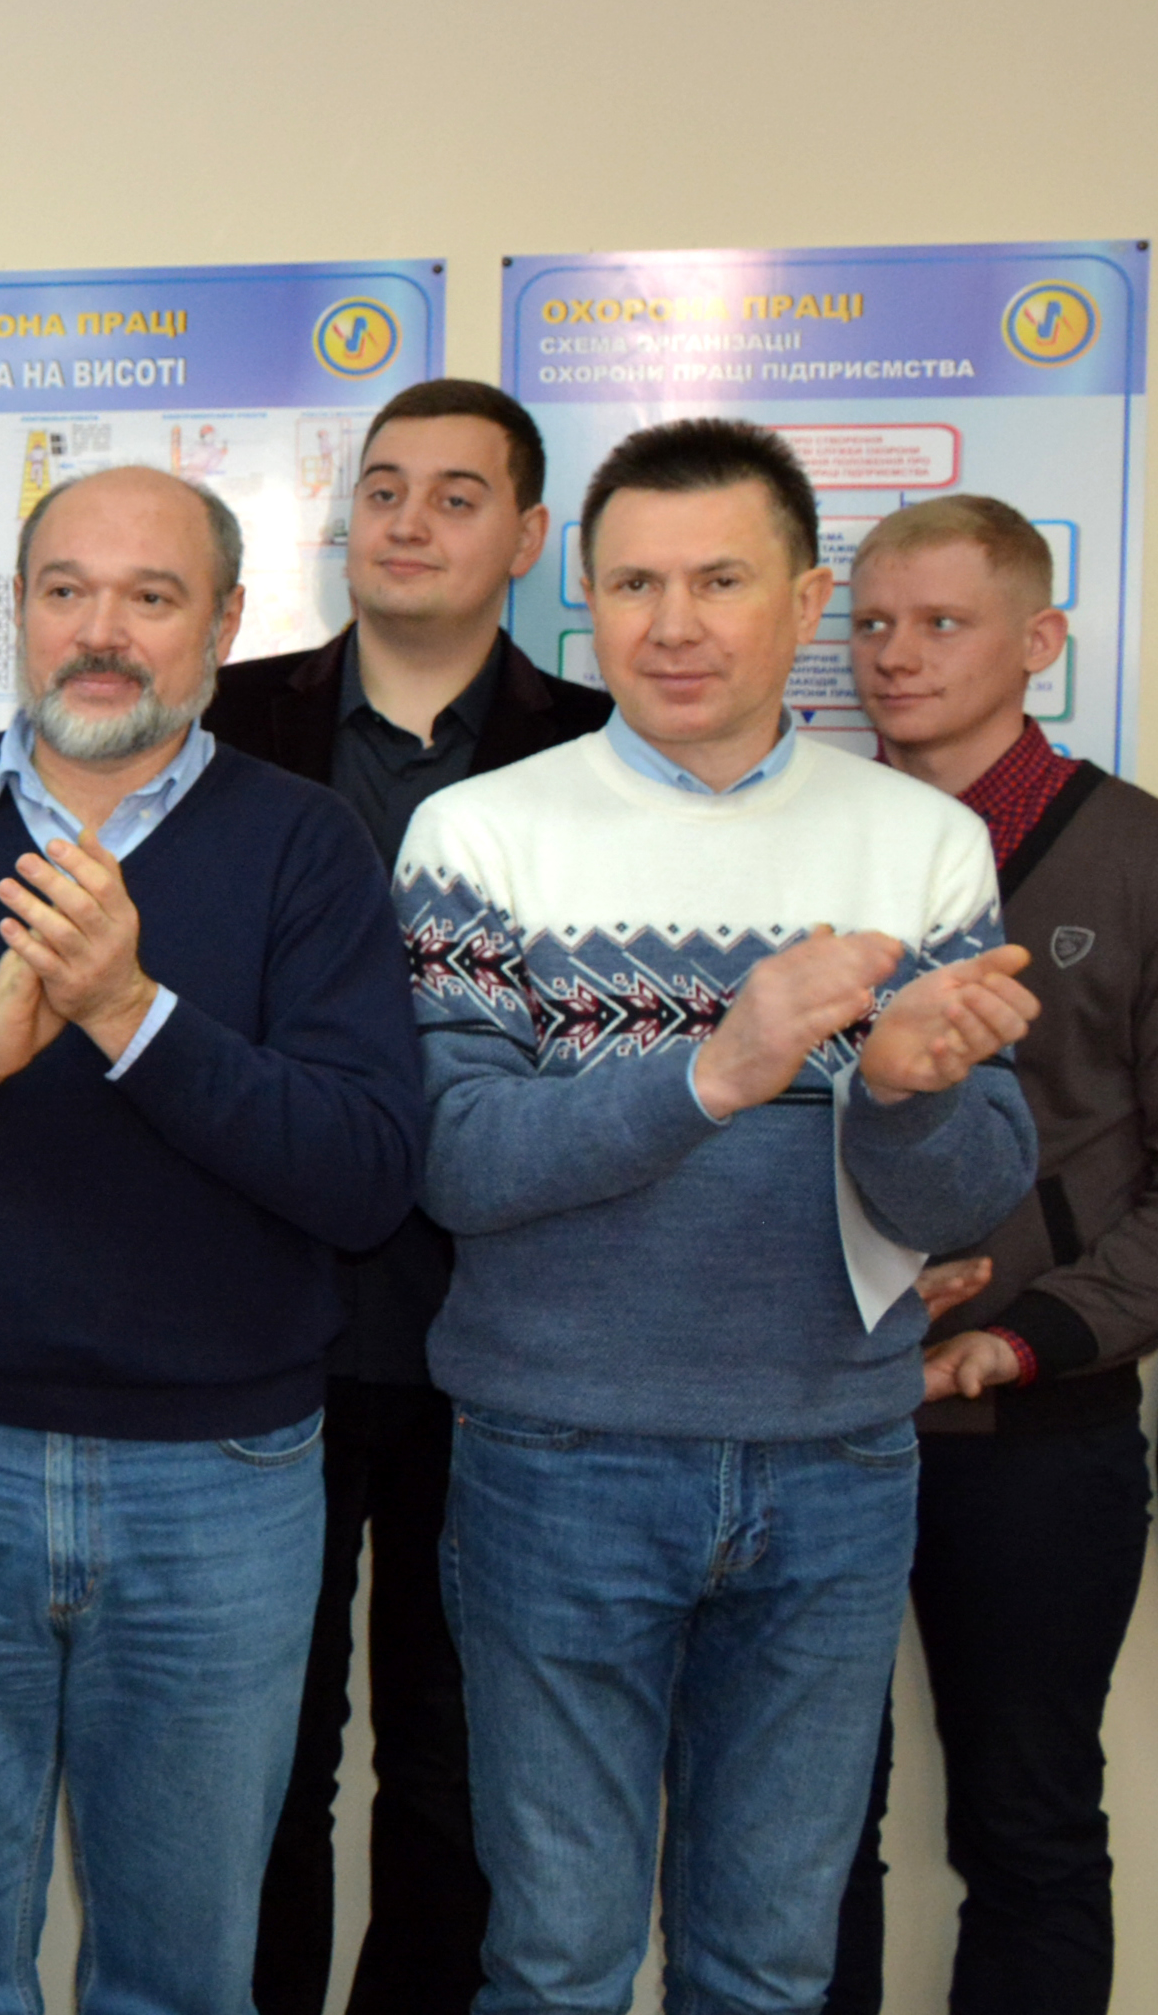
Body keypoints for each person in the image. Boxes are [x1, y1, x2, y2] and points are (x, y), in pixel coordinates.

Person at [0, 462, 428, 2013]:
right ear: (16, 613)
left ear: (224, 625)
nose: (101, 631)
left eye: (150, 596)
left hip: (220, 1487)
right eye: (66, 591)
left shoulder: (307, 846)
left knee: (179, 1979)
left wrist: (131, 1012)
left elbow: (367, 1175)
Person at [395, 420, 1041, 2015]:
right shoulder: (480, 834)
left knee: (768, 1966)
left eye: (721, 581)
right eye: (634, 585)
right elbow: (458, 1160)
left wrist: (902, 1093)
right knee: (556, 1961)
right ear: (586, 601)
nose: (673, 624)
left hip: (837, 1461)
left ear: (806, 601)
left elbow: (971, 1194)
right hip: (559, 1457)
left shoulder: (922, 843)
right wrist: (721, 1068)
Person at [201, 380, 610, 2015]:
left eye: (457, 494)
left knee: (457, 1771)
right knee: (257, 1765)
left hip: (505, 1334)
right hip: (257, 1327)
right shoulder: (220, 719)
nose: (411, 521)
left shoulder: (604, 750)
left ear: (528, 535)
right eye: (384, 488)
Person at [824, 495, 1158, 2015]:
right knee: (805, 1832)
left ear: (1041, 641)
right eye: (873, 624)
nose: (896, 656)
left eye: (943, 623)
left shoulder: (1135, 857)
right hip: (814, 1424)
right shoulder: (812, 845)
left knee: (1028, 1827)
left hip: (1039, 1438)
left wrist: (1023, 1338)